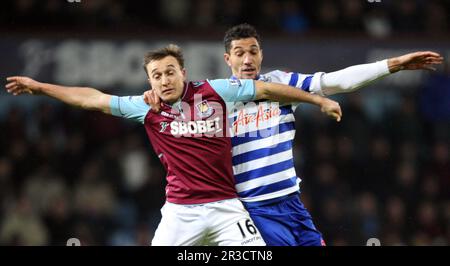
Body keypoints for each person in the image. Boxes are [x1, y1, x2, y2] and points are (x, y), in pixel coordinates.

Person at [5, 44, 342, 246]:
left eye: (169, 72)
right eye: (156, 75)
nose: (164, 80)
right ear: (149, 80)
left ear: (183, 72)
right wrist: (40, 86)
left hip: (227, 207)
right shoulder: (145, 107)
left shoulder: (218, 92)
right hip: (181, 213)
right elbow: (92, 99)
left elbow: (267, 90)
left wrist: (317, 100)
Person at [144, 24, 444, 246]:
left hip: (291, 203)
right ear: (227, 59)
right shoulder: (216, 98)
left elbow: (334, 82)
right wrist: (152, 95)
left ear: (261, 54)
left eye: (253, 51)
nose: (247, 60)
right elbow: (173, 96)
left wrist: (392, 65)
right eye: (239, 53)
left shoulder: (280, 84)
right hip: (254, 208)